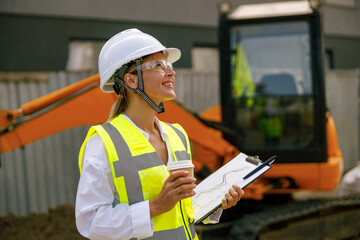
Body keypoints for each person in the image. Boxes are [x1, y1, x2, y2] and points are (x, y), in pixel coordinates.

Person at [75, 28, 244, 240]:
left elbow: (180, 210)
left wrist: (216, 201)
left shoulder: (177, 135)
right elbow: (90, 223)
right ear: (131, 81)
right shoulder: (103, 143)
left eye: (168, 65)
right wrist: (153, 207)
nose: (171, 72)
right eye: (157, 65)